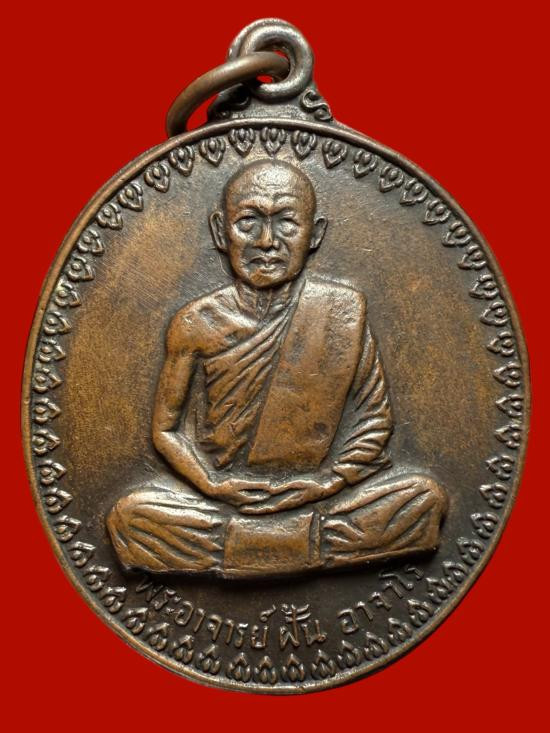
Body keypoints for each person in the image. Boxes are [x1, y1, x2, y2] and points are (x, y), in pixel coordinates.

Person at [107, 159, 447, 578]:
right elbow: (165, 431)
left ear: (314, 235)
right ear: (220, 231)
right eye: (248, 222)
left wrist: (326, 483)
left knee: (423, 499)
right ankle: (308, 546)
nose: (267, 242)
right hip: (224, 502)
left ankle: (244, 550)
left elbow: (375, 422)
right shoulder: (196, 323)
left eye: (286, 223)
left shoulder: (341, 311)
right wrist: (215, 485)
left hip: (318, 498)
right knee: (132, 517)